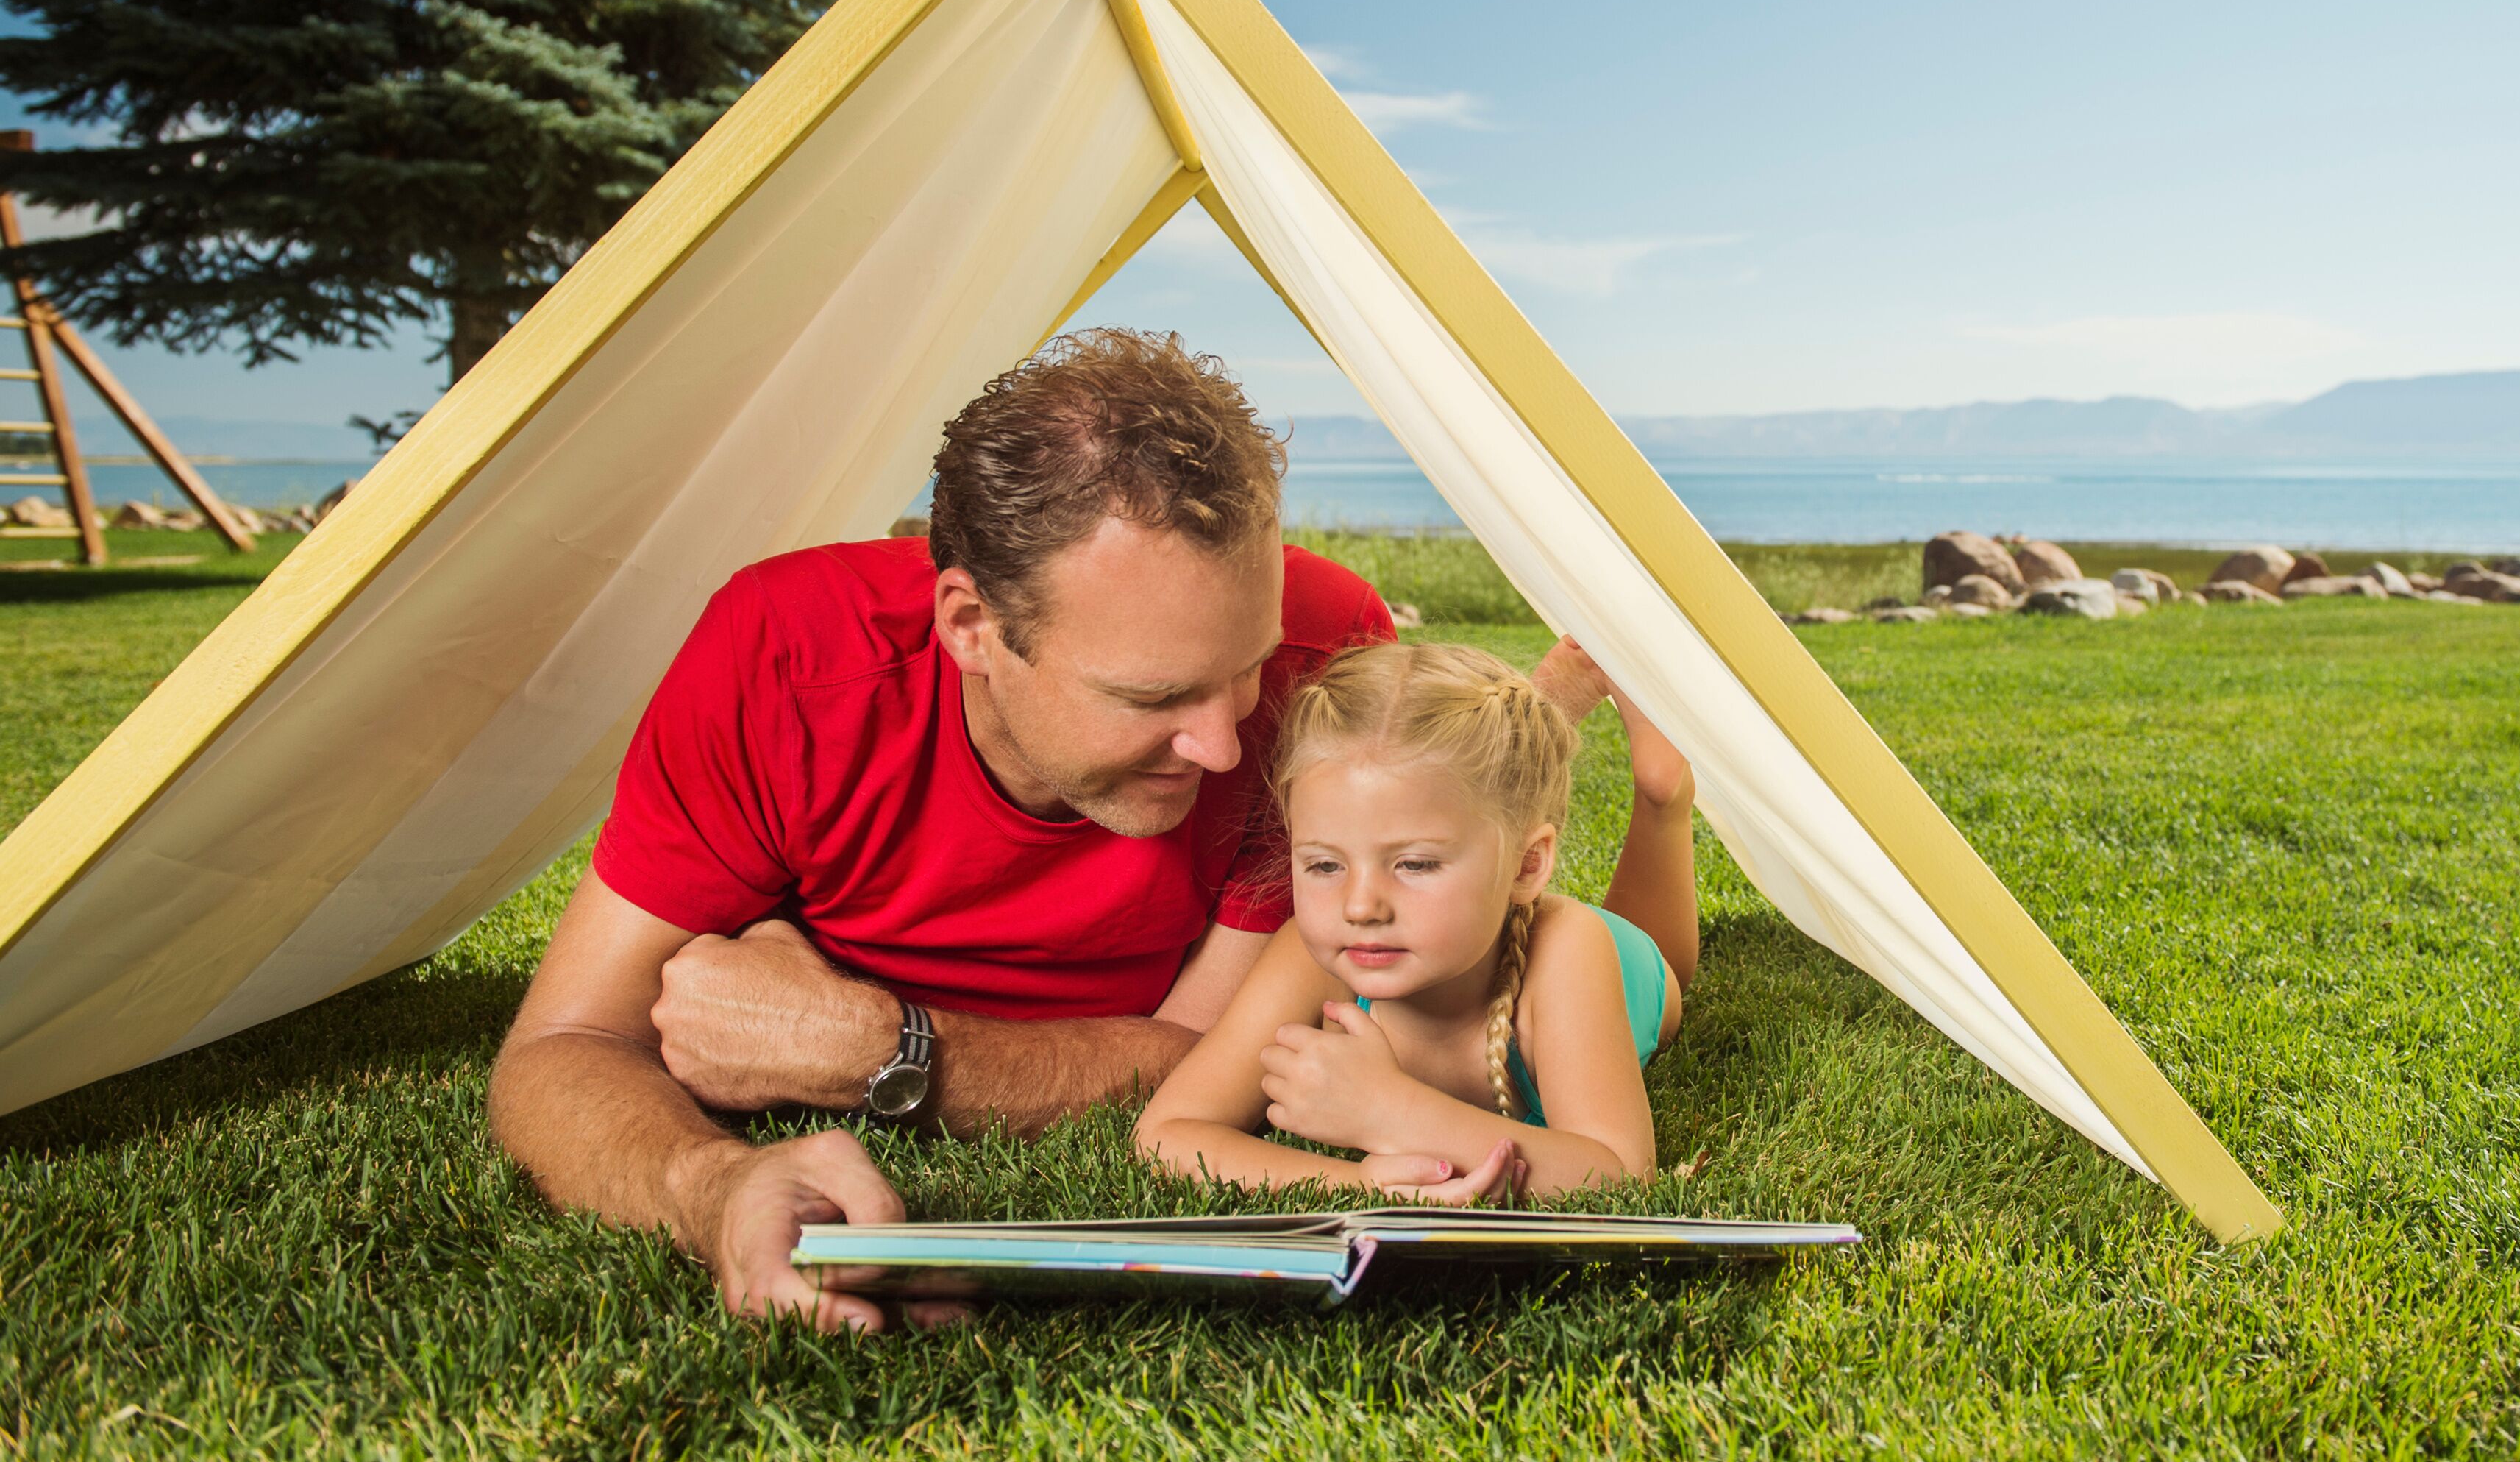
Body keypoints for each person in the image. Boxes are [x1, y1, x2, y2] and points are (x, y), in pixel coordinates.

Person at [485, 329, 1649, 1331]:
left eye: (1240, 671)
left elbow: (1199, 1055)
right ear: (972, 624)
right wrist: (708, 1181)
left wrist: (883, 1049)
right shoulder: (788, 658)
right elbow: (561, 1044)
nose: (1225, 747)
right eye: (1151, 698)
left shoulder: (1321, 651)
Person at [1136, 639, 1697, 1202]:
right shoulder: (1310, 958)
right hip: (1493, 908)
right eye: (1326, 863)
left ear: (1530, 864)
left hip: (1622, 968)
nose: (1360, 907)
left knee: (1668, 968)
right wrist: (1359, 1181)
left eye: (1414, 863)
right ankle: (1536, 734)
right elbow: (1165, 1135)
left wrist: (1390, 1110)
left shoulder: (1570, 950)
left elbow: (1617, 1174)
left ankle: (1661, 797)